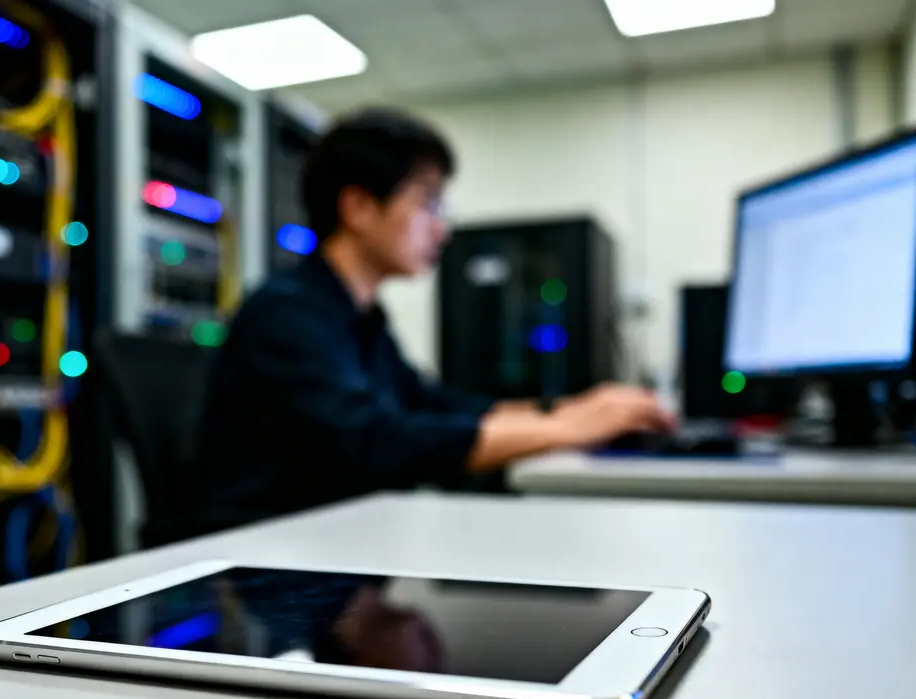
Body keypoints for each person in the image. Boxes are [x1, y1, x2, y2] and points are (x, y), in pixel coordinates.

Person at [195, 108, 672, 520]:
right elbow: (376, 443)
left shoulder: (362, 318)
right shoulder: (286, 312)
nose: (442, 229)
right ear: (359, 207)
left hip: (338, 540)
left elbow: (435, 406)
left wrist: (567, 410)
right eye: (428, 203)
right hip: (266, 561)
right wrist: (567, 429)